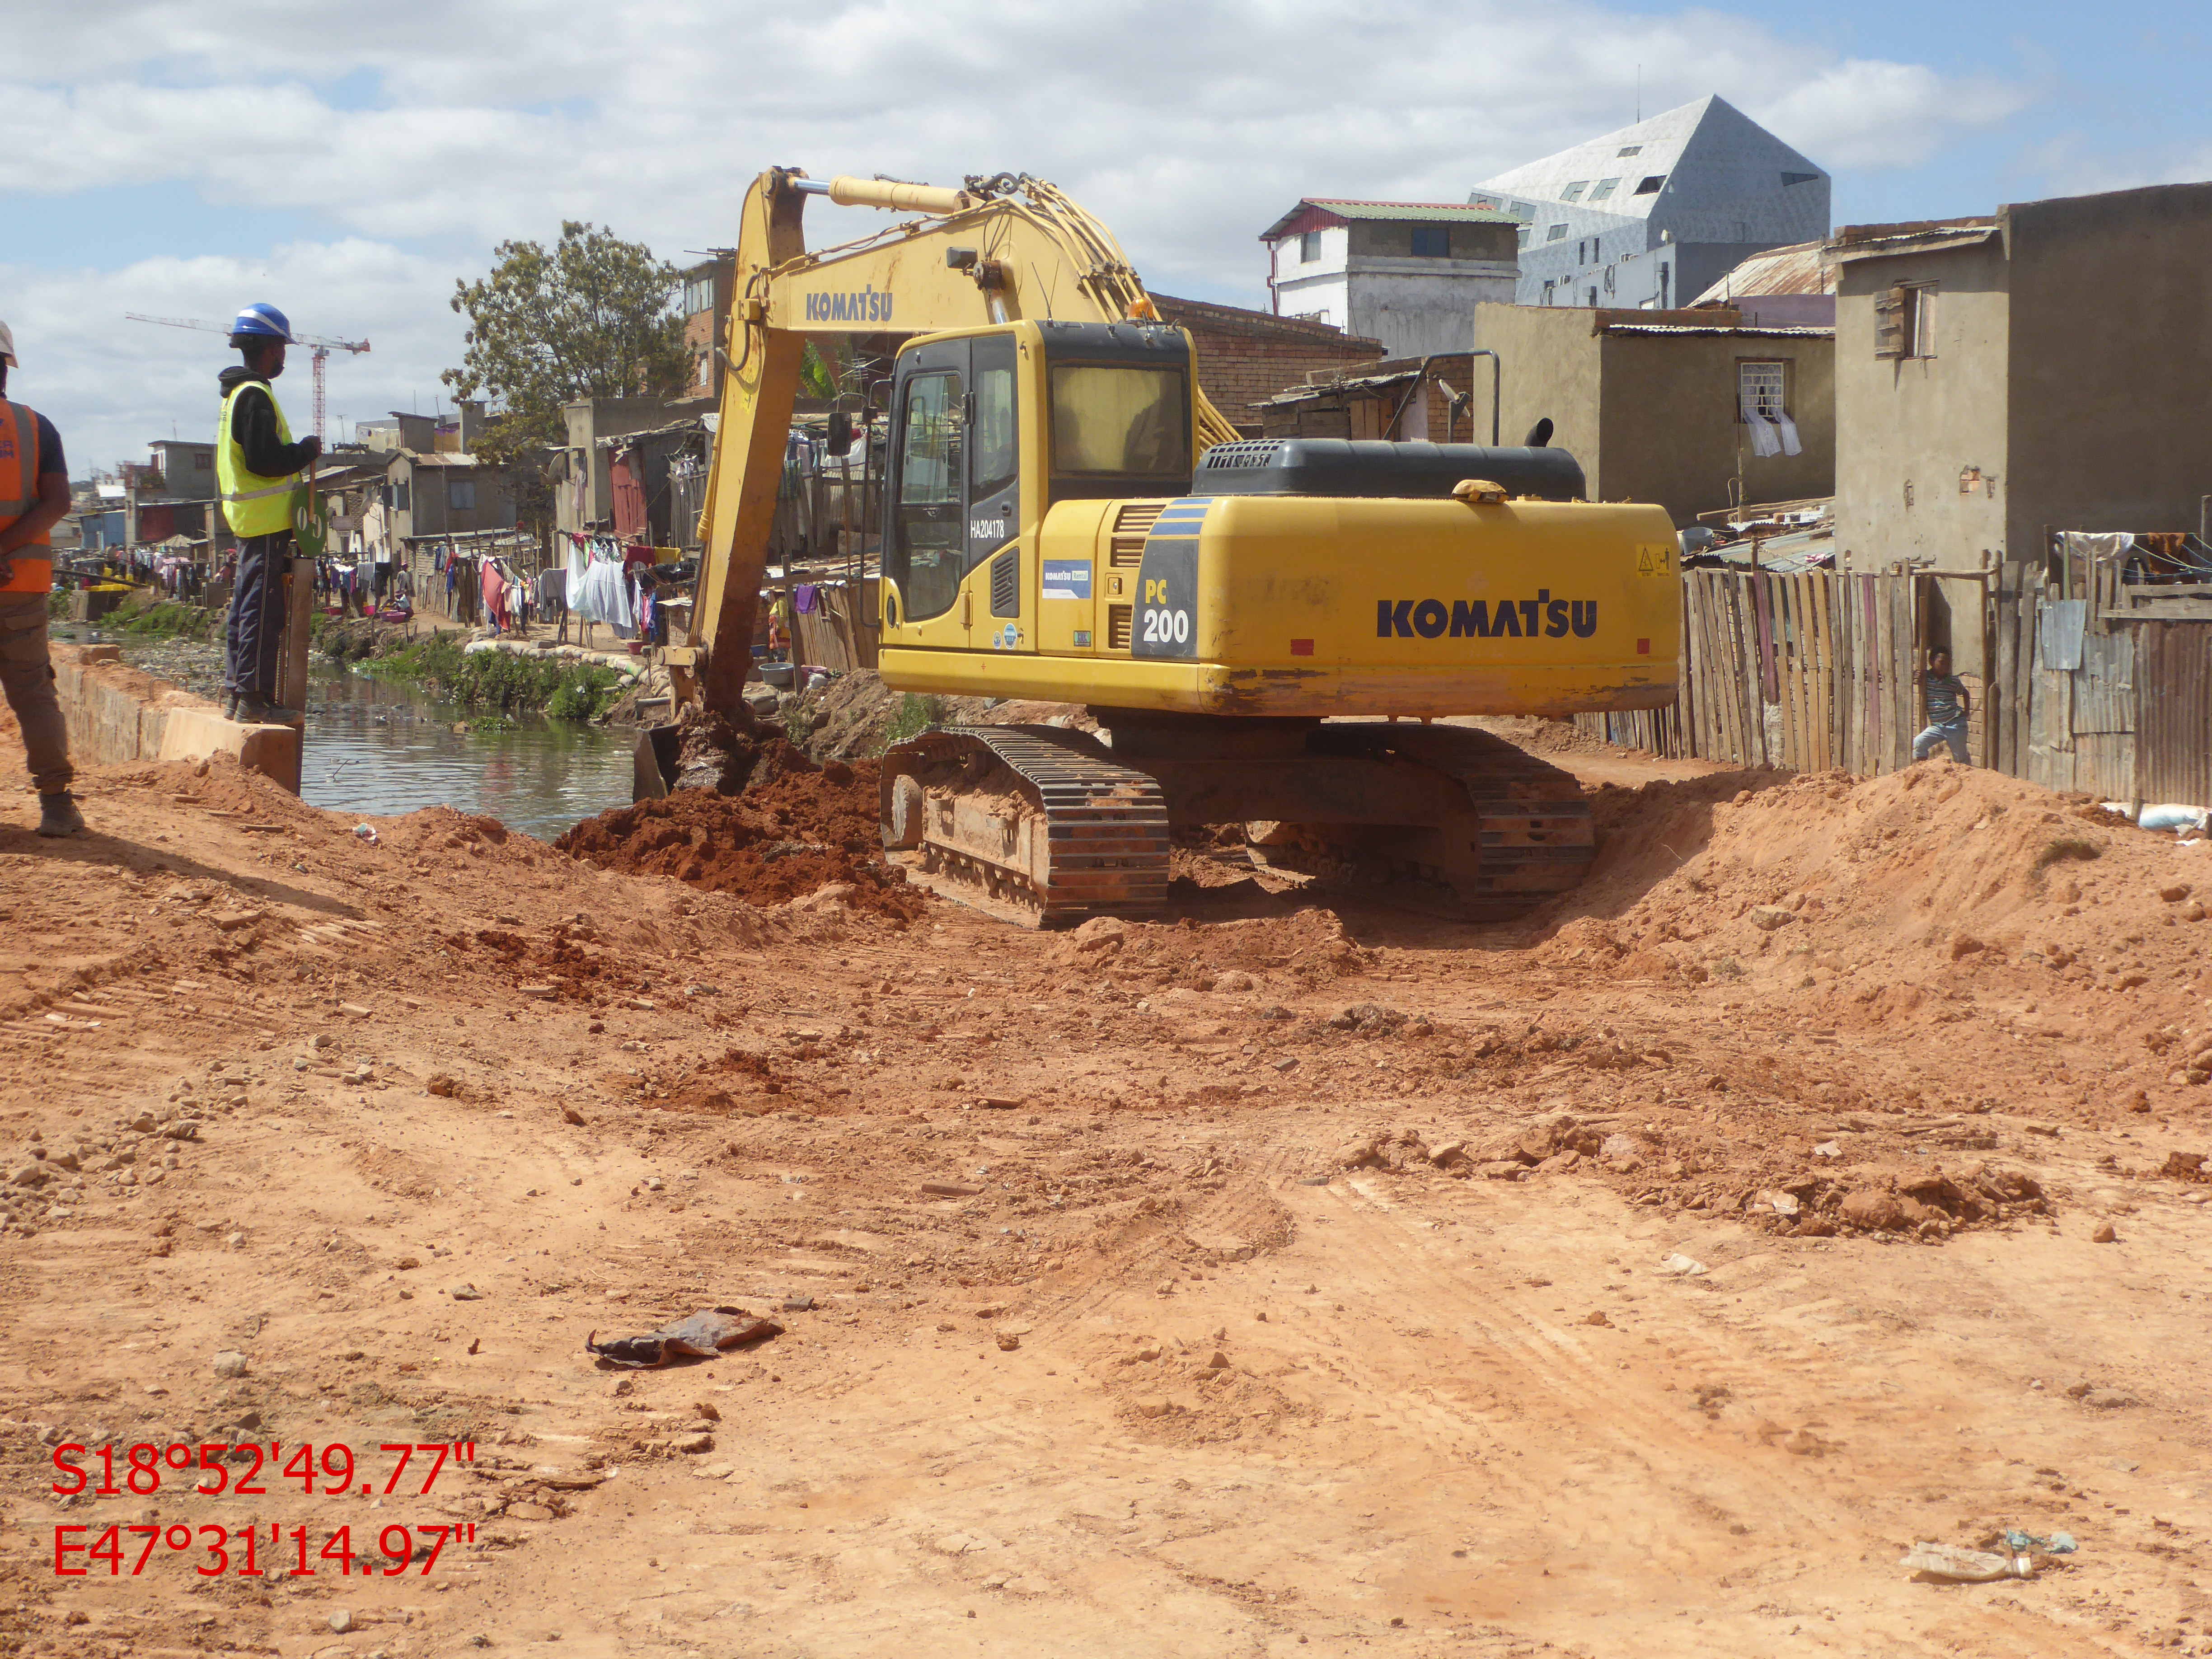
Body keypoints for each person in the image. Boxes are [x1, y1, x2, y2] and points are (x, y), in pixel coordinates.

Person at [0, 320, 86, 838]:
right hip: (21, 585)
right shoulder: (36, 427)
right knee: (33, 692)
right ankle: (56, 804)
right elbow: (57, 502)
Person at [216, 303, 320, 723]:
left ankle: (236, 694)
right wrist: (304, 452)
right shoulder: (255, 396)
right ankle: (253, 700)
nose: (284, 357)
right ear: (270, 348)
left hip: (250, 522)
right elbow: (264, 459)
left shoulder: (236, 395)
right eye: (282, 348)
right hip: (264, 521)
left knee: (246, 605)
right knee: (262, 611)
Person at [1913, 648, 1973, 764]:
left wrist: (1967, 711)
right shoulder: (1926, 678)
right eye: (1941, 662)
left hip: (1955, 724)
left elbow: (1965, 693)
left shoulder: (1953, 681)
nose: (1945, 666)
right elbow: (1914, 677)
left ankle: (1967, 780)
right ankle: (1923, 773)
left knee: (1961, 760)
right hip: (1937, 726)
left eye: (1948, 663)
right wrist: (1915, 675)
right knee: (1919, 743)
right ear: (1932, 662)